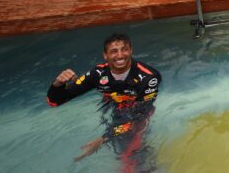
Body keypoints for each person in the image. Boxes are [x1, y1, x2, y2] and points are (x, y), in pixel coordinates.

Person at [47, 33, 161, 169]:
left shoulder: (148, 77)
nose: (120, 55)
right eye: (114, 51)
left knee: (132, 155)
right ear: (105, 56)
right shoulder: (98, 74)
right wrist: (57, 84)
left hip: (139, 113)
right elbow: (54, 101)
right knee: (126, 154)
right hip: (114, 107)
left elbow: (140, 117)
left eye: (124, 49)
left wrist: (105, 138)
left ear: (131, 50)